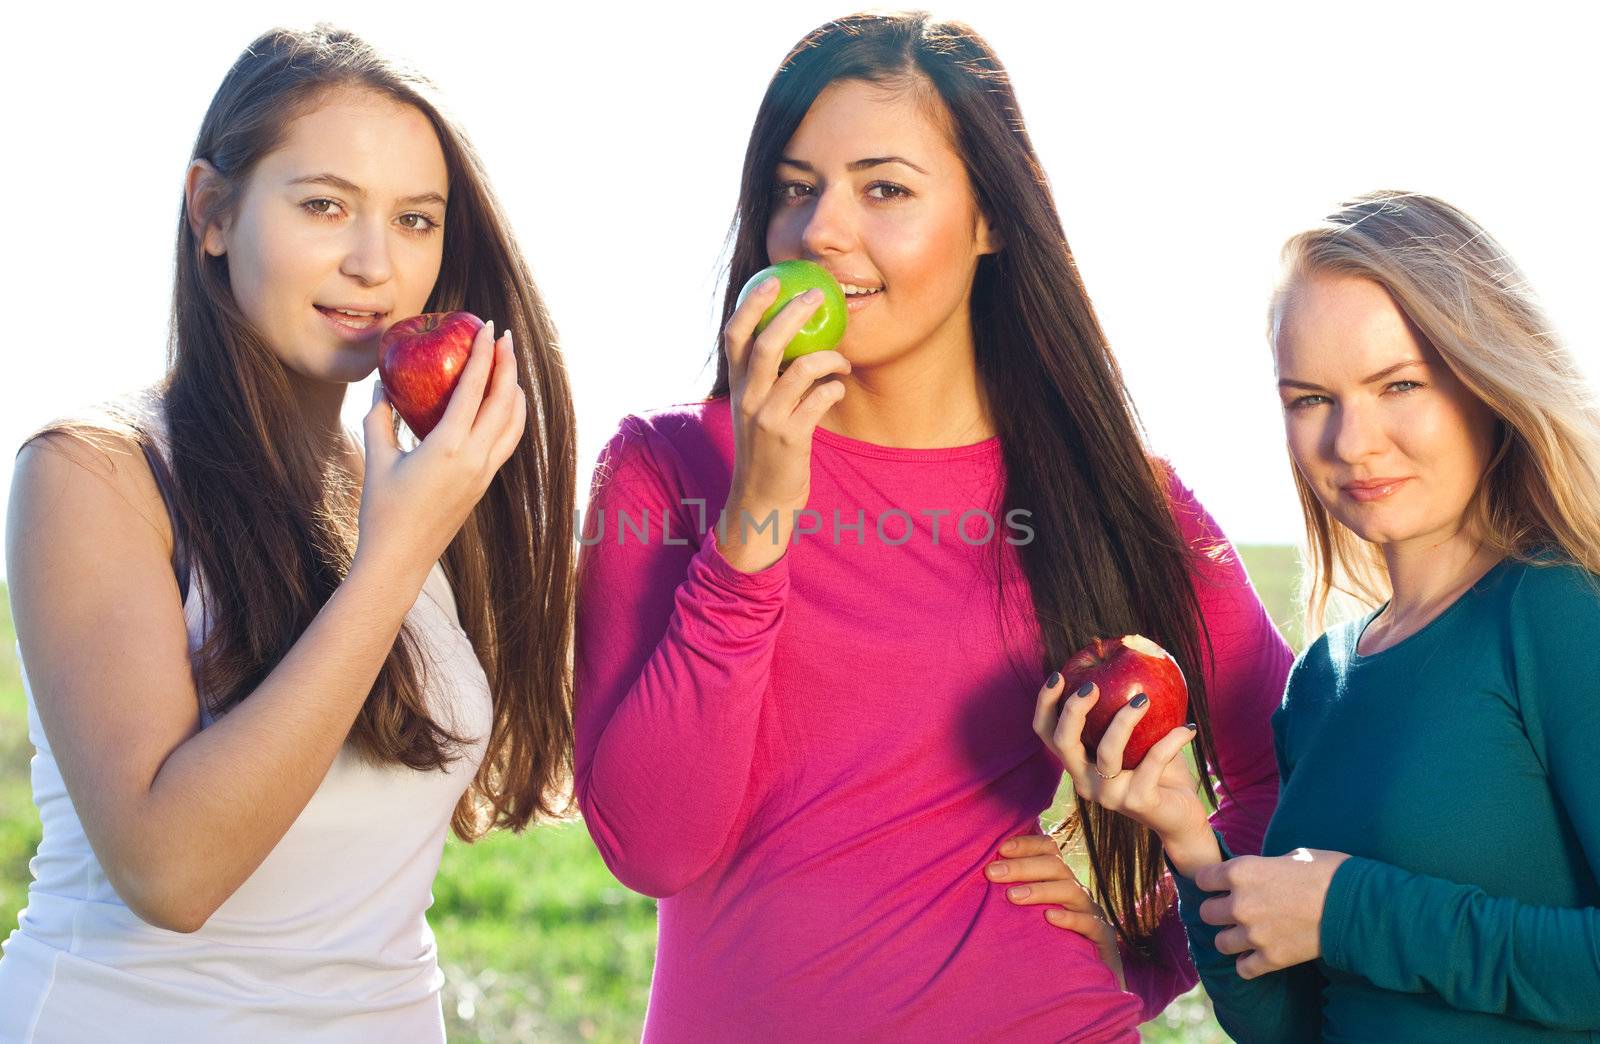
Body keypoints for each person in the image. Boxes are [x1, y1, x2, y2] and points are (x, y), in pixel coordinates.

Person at [573, 12, 1291, 1039]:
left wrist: (1149, 950)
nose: (820, 230)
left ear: (990, 220)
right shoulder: (665, 469)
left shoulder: (1107, 493)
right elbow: (654, 846)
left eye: (885, 189)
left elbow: (1287, 763)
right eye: (793, 187)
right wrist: (756, 521)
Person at [0, 25, 575, 1041]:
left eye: (416, 220)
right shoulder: (94, 474)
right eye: (324, 206)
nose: (374, 263)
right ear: (212, 214)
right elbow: (169, 871)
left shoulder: (415, 481)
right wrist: (393, 560)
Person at [1034, 190, 1600, 1040]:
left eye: (1397, 384)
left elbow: (1352, 922)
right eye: (1310, 399)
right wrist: (1189, 839)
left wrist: (1348, 910)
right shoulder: (1323, 679)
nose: (1351, 442)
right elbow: (1290, 1025)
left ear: (1486, 381)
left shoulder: (1558, 612)